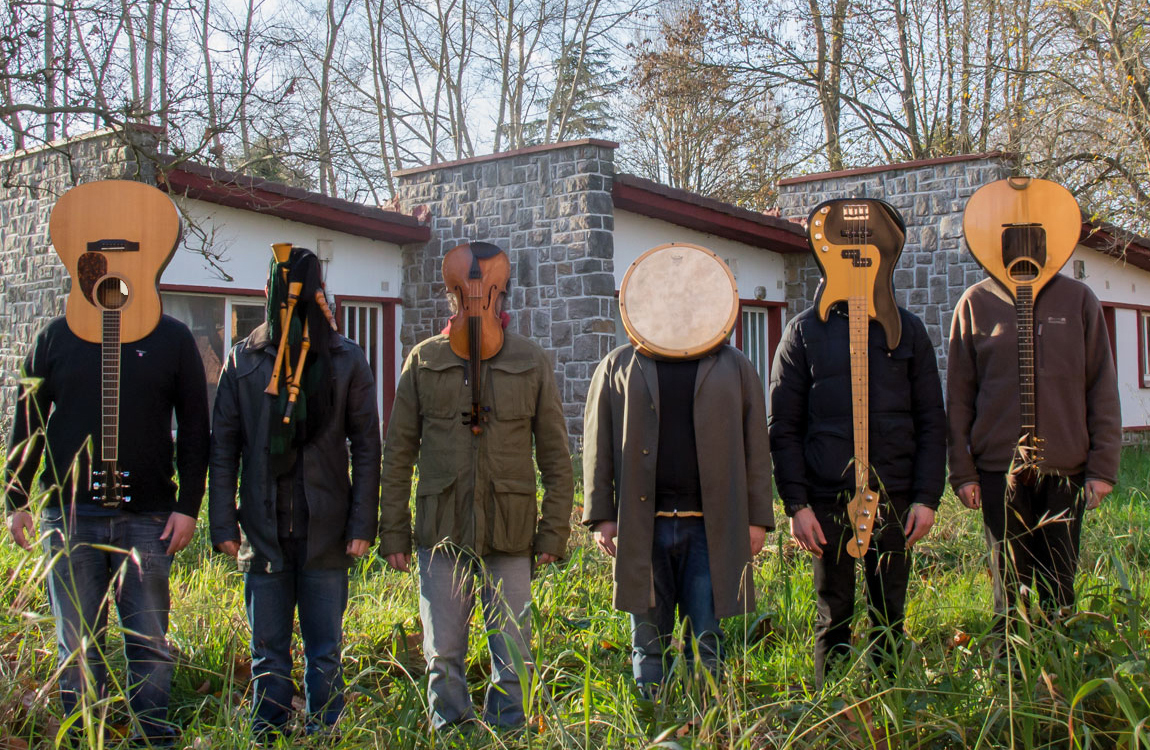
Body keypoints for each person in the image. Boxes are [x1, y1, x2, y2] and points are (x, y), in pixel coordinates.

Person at [378, 241, 573, 730]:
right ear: (451, 294)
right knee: (442, 653)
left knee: (514, 652)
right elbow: (398, 454)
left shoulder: (531, 359)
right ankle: (453, 734)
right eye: (464, 291)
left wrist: (553, 532)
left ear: (503, 294)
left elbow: (556, 456)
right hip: (441, 530)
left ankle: (508, 733)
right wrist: (394, 531)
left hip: (510, 532)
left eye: (489, 290)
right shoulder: (424, 360)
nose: (477, 298)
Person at [4, 313, 210, 745]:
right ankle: (83, 739)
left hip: (149, 518)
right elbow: (27, 418)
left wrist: (188, 506)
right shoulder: (55, 337)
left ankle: (150, 738)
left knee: (149, 642)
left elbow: (195, 425)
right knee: (77, 645)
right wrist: (16, 498)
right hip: (70, 517)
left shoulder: (172, 337)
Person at [208, 246, 381, 739]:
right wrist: (222, 522)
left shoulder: (345, 359)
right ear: (267, 292)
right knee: (268, 653)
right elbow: (224, 448)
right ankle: (267, 735)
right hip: (262, 530)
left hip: (325, 529)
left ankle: (327, 735)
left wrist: (362, 523)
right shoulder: (244, 359)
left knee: (326, 651)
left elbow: (367, 447)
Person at [768, 296, 946, 688]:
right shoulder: (803, 331)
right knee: (833, 615)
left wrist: (926, 497)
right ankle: (832, 708)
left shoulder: (907, 329)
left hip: (895, 496)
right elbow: (783, 426)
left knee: (889, 614)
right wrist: (797, 504)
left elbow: (932, 418)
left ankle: (887, 704)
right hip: (826, 498)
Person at [582, 337, 774, 694]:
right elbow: (598, 442)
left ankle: (706, 717)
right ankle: (652, 716)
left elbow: (756, 445)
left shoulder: (733, 364)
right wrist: (601, 515)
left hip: (709, 529)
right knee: (647, 642)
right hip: (642, 528)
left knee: (705, 640)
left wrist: (757, 518)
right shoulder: (618, 364)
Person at [947, 273, 1121, 624]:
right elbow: (959, 397)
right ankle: (1010, 656)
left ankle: (1060, 654)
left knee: (1059, 586)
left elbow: (1101, 385)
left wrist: (1102, 468)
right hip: (998, 471)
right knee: (1009, 590)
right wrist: (963, 472)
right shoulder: (976, 302)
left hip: (1065, 469)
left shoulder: (1078, 299)